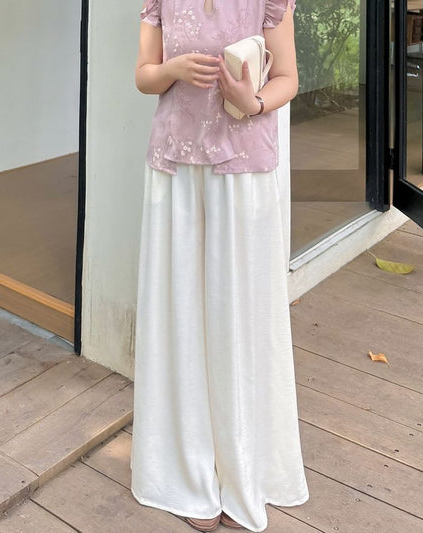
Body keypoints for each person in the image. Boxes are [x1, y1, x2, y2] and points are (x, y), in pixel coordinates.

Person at [130, 0, 309, 531]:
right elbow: (143, 77)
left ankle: (243, 466)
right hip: (175, 167)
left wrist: (253, 101)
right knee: (179, 315)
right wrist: (171, 69)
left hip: (242, 170)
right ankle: (184, 471)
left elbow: (289, 78)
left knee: (241, 315)